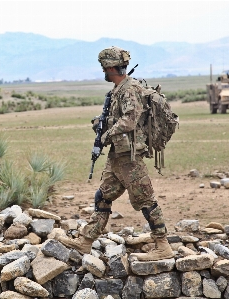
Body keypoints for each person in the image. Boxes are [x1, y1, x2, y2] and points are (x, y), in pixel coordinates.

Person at [56, 46, 174, 261]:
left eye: (105, 69)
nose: (103, 73)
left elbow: (129, 120)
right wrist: (101, 125)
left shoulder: (130, 89)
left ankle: (162, 245)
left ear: (111, 67)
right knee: (104, 196)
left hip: (130, 157)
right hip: (118, 155)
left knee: (145, 199)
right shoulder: (117, 91)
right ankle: (85, 241)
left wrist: (106, 135)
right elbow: (119, 118)